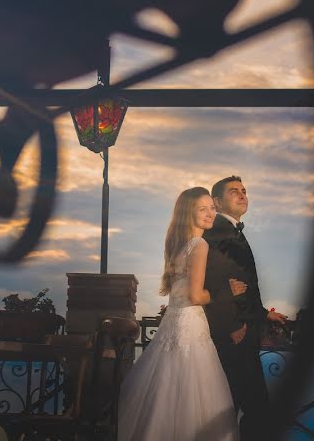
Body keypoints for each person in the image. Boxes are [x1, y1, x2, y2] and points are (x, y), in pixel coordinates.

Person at [118, 187, 248, 441]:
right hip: (190, 328)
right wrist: (225, 290)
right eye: (203, 208)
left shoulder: (178, 247)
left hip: (172, 325)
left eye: (212, 207)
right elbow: (196, 296)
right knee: (194, 396)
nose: (211, 213)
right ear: (188, 213)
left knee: (166, 394)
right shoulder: (199, 245)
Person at [203, 175, 289, 440]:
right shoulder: (217, 233)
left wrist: (265, 314)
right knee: (252, 407)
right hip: (235, 333)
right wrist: (233, 325)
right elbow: (213, 281)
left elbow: (244, 285)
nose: (242, 195)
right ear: (216, 202)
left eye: (243, 190)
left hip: (244, 328)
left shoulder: (232, 230)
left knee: (237, 404)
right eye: (233, 191)